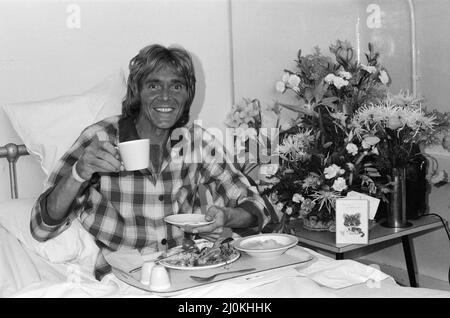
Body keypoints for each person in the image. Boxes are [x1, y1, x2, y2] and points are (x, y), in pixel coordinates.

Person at [30, 44, 271, 280]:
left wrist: (228, 217)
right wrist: (78, 173)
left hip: (188, 270)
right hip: (124, 278)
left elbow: (257, 206)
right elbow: (41, 227)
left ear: (188, 95)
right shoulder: (100, 138)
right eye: (154, 85)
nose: (166, 96)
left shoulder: (197, 142)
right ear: (137, 91)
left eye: (176, 86)